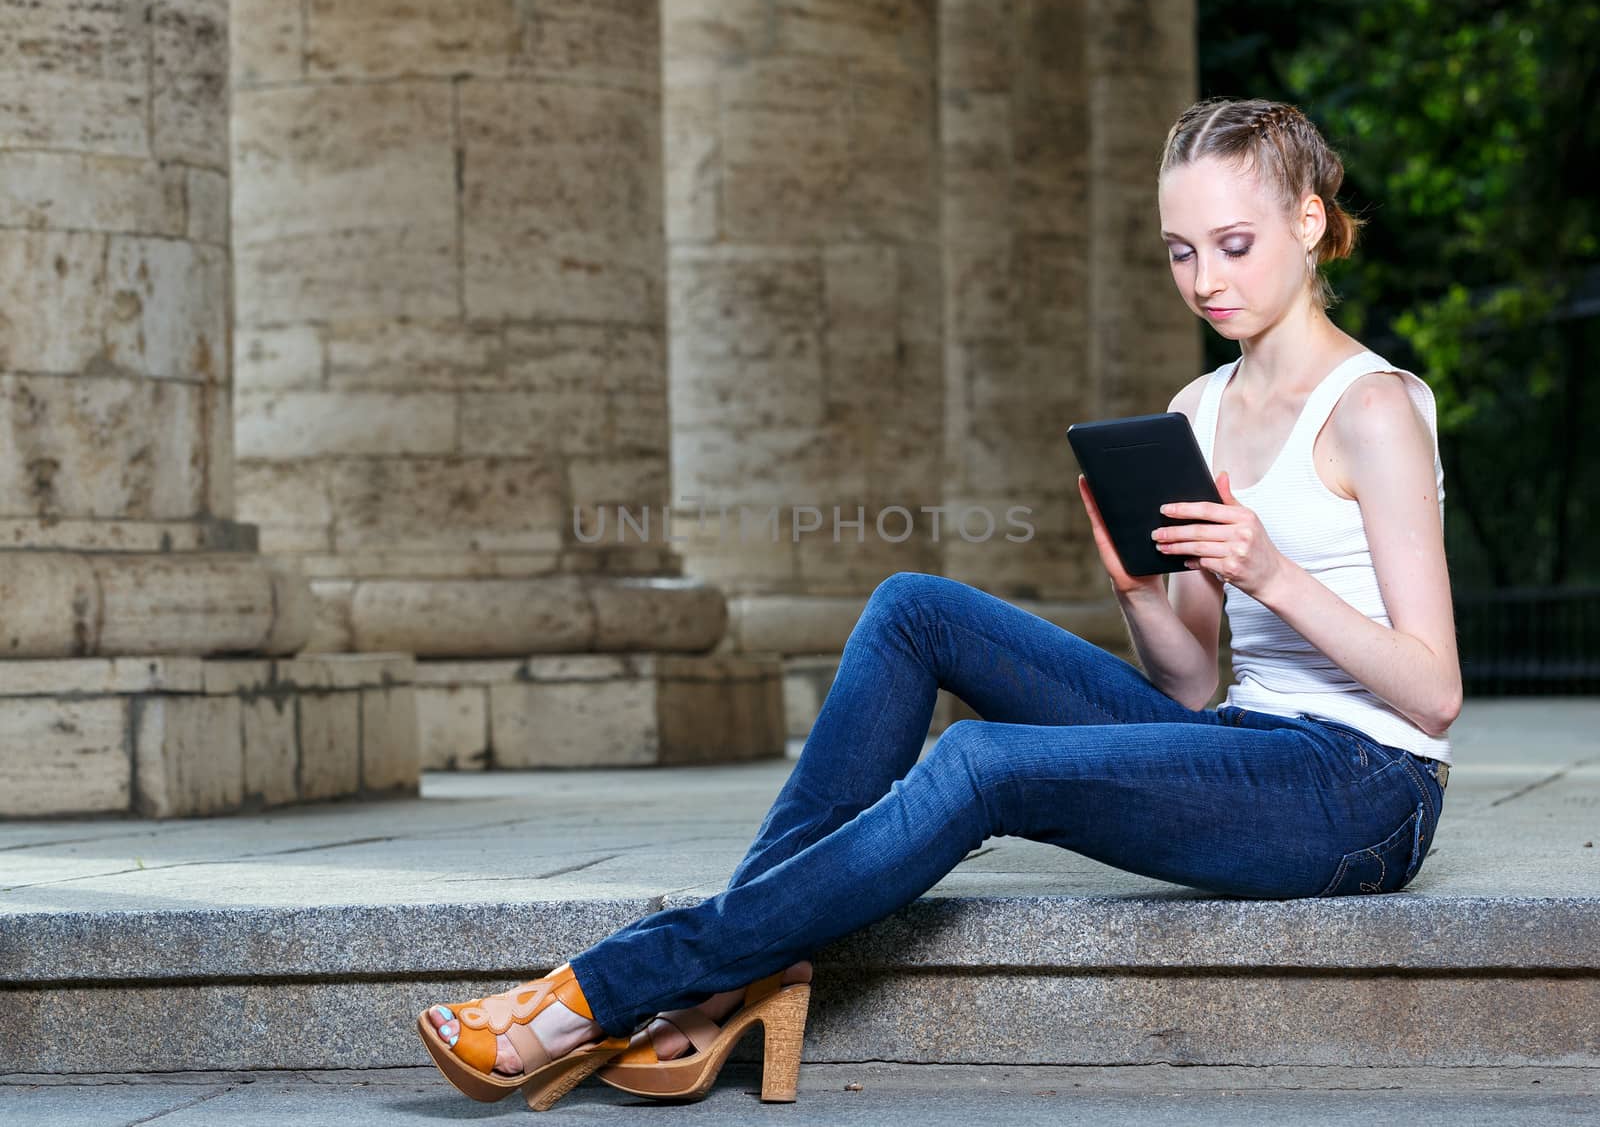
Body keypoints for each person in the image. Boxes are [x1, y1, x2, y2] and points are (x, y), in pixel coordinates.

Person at [414, 96, 1461, 1110]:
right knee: (913, 605)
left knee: (980, 760)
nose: (1202, 279)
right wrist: (1136, 587)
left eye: (1231, 244)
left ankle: (616, 986)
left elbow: (1433, 693)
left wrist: (1271, 575)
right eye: (1180, 250)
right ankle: (742, 974)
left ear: (1309, 221)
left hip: (1363, 790)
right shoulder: (1200, 407)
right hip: (1246, 741)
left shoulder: (1372, 408)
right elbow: (1188, 684)